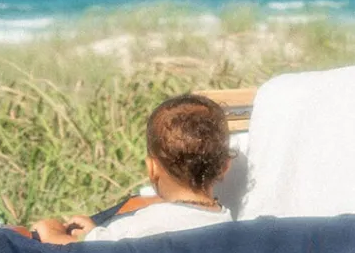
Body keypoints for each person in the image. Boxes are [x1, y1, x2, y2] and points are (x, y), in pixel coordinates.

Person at [31, 94, 233, 244]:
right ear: (224, 167)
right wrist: (94, 233)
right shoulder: (228, 226)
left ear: (152, 168)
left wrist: (53, 235)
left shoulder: (142, 225)